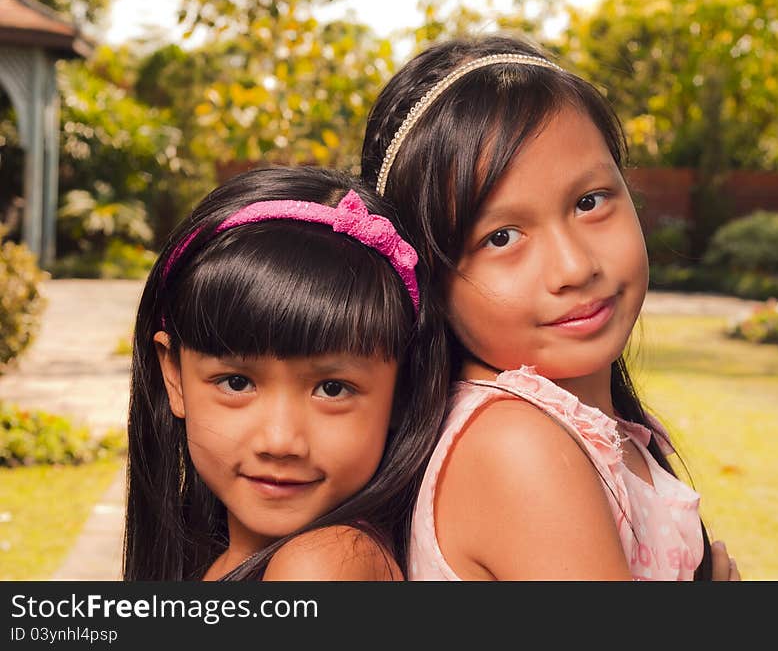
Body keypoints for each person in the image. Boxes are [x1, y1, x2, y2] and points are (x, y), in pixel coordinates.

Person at [361, 34, 740, 580]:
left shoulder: (595, 431)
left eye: (589, 202)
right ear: (431, 278)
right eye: (502, 236)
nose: (573, 267)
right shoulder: (519, 448)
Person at [123, 166, 447, 581]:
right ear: (174, 375)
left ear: (401, 393)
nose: (279, 441)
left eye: (332, 389)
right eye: (237, 382)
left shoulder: (324, 566)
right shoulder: (211, 557)